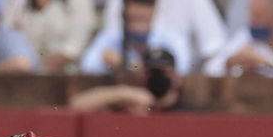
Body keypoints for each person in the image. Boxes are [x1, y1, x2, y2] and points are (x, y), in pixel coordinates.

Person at [80, 0, 194, 75]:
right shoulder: (109, 37)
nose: (139, 25)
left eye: (143, 19)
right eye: (134, 19)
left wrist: (129, 65)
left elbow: (182, 68)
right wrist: (106, 61)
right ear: (124, 14)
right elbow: (87, 66)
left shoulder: (172, 38)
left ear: (153, 12)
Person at [68, 46, 197, 112]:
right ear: (142, 76)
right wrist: (122, 93)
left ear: (176, 76)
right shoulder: (129, 104)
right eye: (151, 72)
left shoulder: (188, 112)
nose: (156, 76)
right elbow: (76, 105)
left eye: (162, 72)